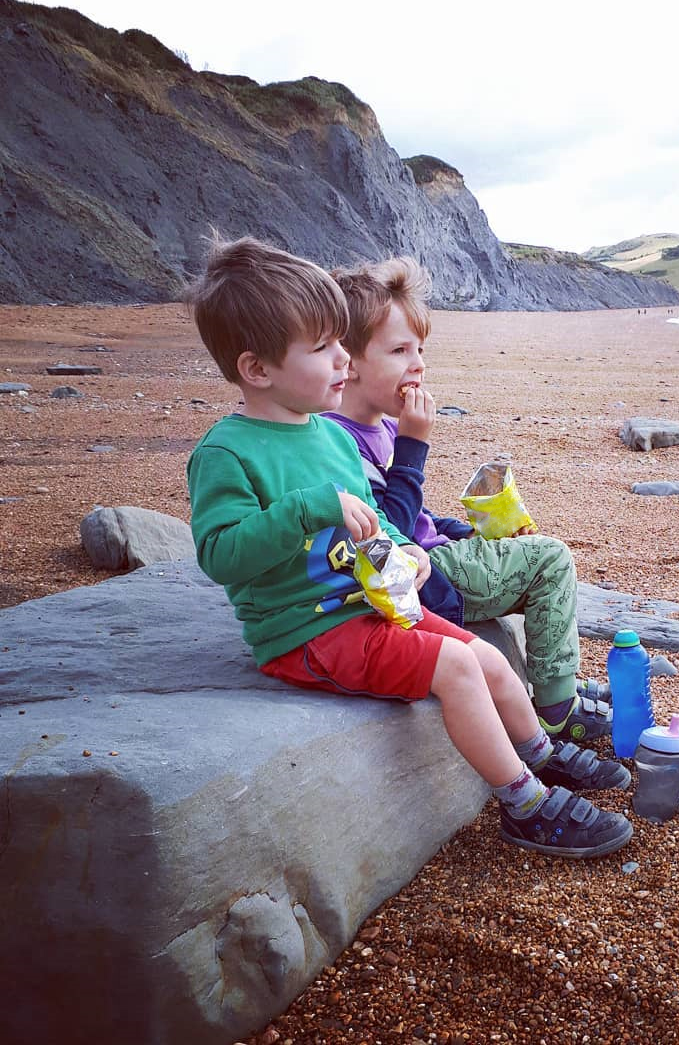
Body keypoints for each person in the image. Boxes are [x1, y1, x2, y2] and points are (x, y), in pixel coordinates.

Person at [184, 235, 632, 859]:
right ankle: (526, 808)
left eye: (343, 342)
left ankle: (541, 756)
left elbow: (379, 523)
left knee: (490, 659)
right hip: (308, 631)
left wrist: (408, 549)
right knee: (456, 669)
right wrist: (306, 509)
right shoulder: (227, 453)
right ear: (257, 369)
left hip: (372, 604)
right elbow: (221, 555)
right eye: (323, 347)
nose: (343, 359)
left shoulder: (330, 437)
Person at [323, 257, 613, 746]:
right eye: (398, 350)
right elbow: (382, 534)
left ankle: (551, 684)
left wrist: (462, 531)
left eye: (420, 350)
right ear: (347, 364)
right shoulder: (337, 440)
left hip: (435, 557)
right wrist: (414, 446)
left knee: (531, 552)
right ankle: (557, 711)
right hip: (421, 577)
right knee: (552, 559)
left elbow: (413, 513)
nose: (417, 364)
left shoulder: (382, 426)